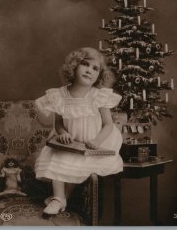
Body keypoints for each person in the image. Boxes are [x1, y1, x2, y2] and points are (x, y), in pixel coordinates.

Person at [35, 47, 123, 215]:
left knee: (77, 165)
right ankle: (58, 198)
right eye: (85, 64)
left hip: (94, 143)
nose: (89, 70)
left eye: (95, 68)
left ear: (99, 75)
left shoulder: (98, 96)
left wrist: (97, 141)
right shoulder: (60, 95)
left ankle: (61, 199)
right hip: (71, 143)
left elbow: (108, 125)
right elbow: (58, 123)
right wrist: (62, 133)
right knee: (57, 158)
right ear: (74, 66)